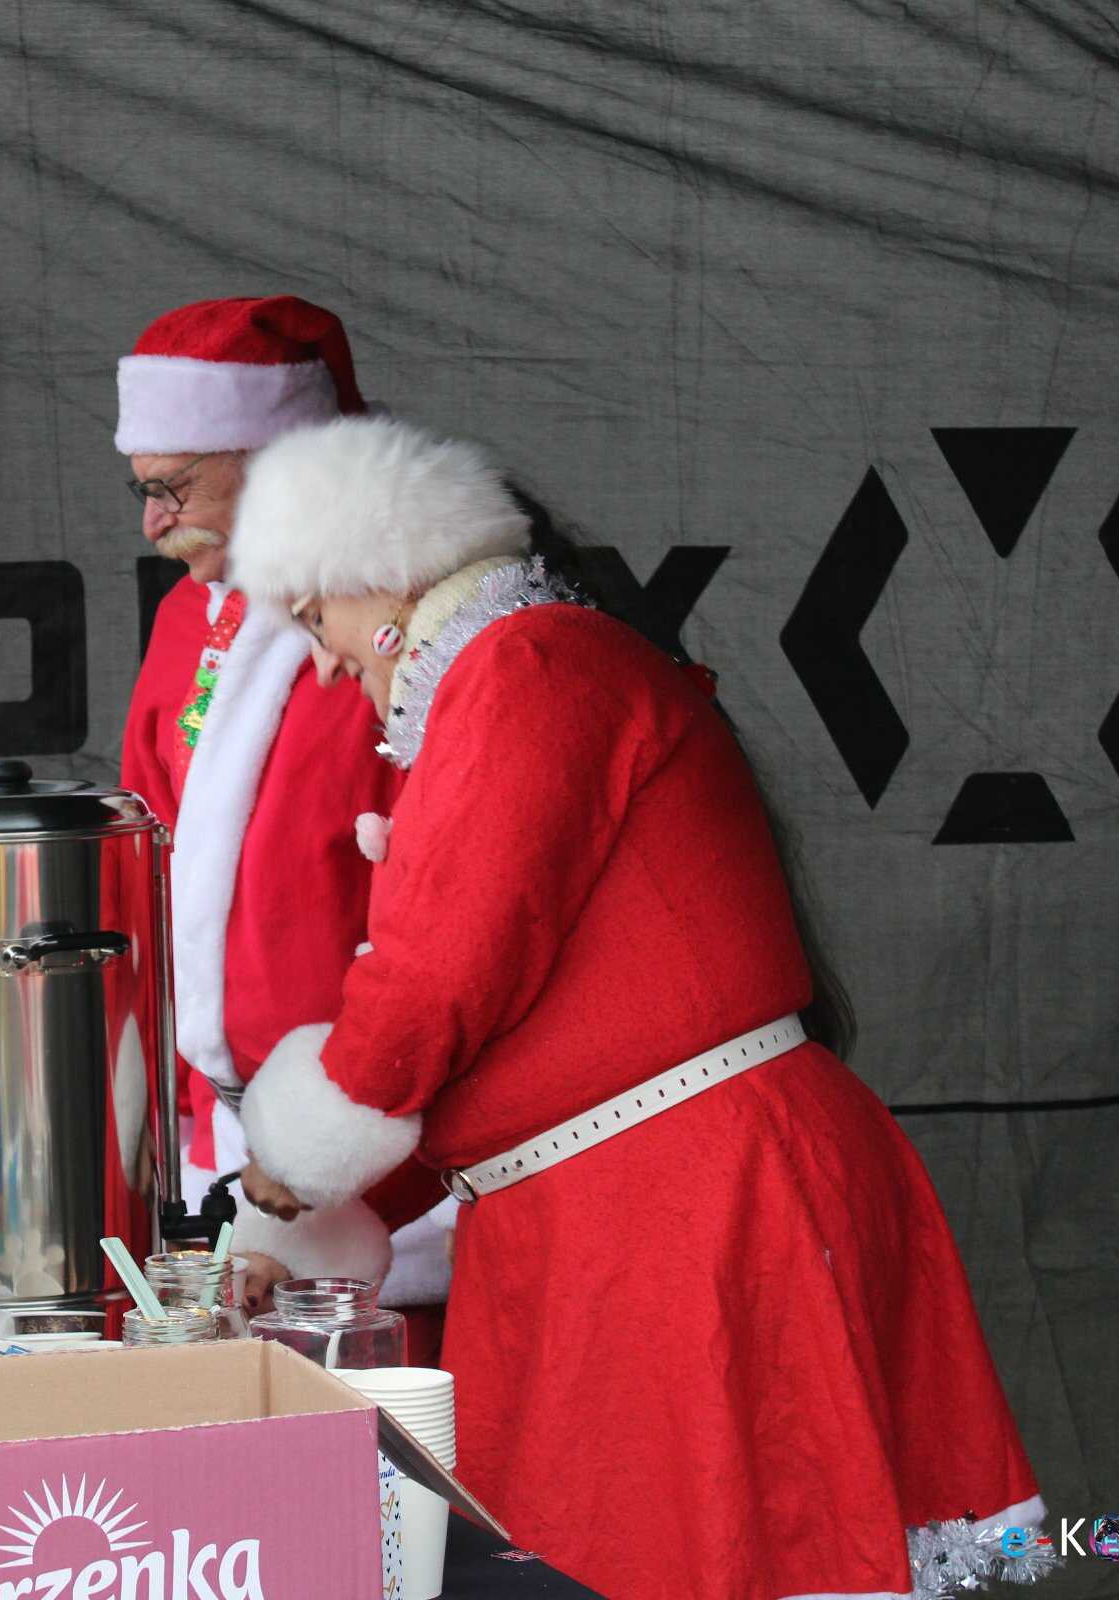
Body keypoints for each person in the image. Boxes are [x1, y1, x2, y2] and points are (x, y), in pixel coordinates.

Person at [224, 415, 1050, 1599]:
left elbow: (437, 976)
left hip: (685, 1212)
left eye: (316, 620)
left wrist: (297, 1162)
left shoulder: (526, 666)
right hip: (627, 1214)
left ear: (383, 570)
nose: (323, 665)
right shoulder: (516, 672)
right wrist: (297, 1215)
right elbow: (486, 1035)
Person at [115, 296, 457, 1327]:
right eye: (143, 489)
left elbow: (449, 914)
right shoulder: (186, 621)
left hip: (394, 1159)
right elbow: (152, 876)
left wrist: (337, 1152)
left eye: (173, 488)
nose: (152, 524)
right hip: (231, 1155)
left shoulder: (405, 620)